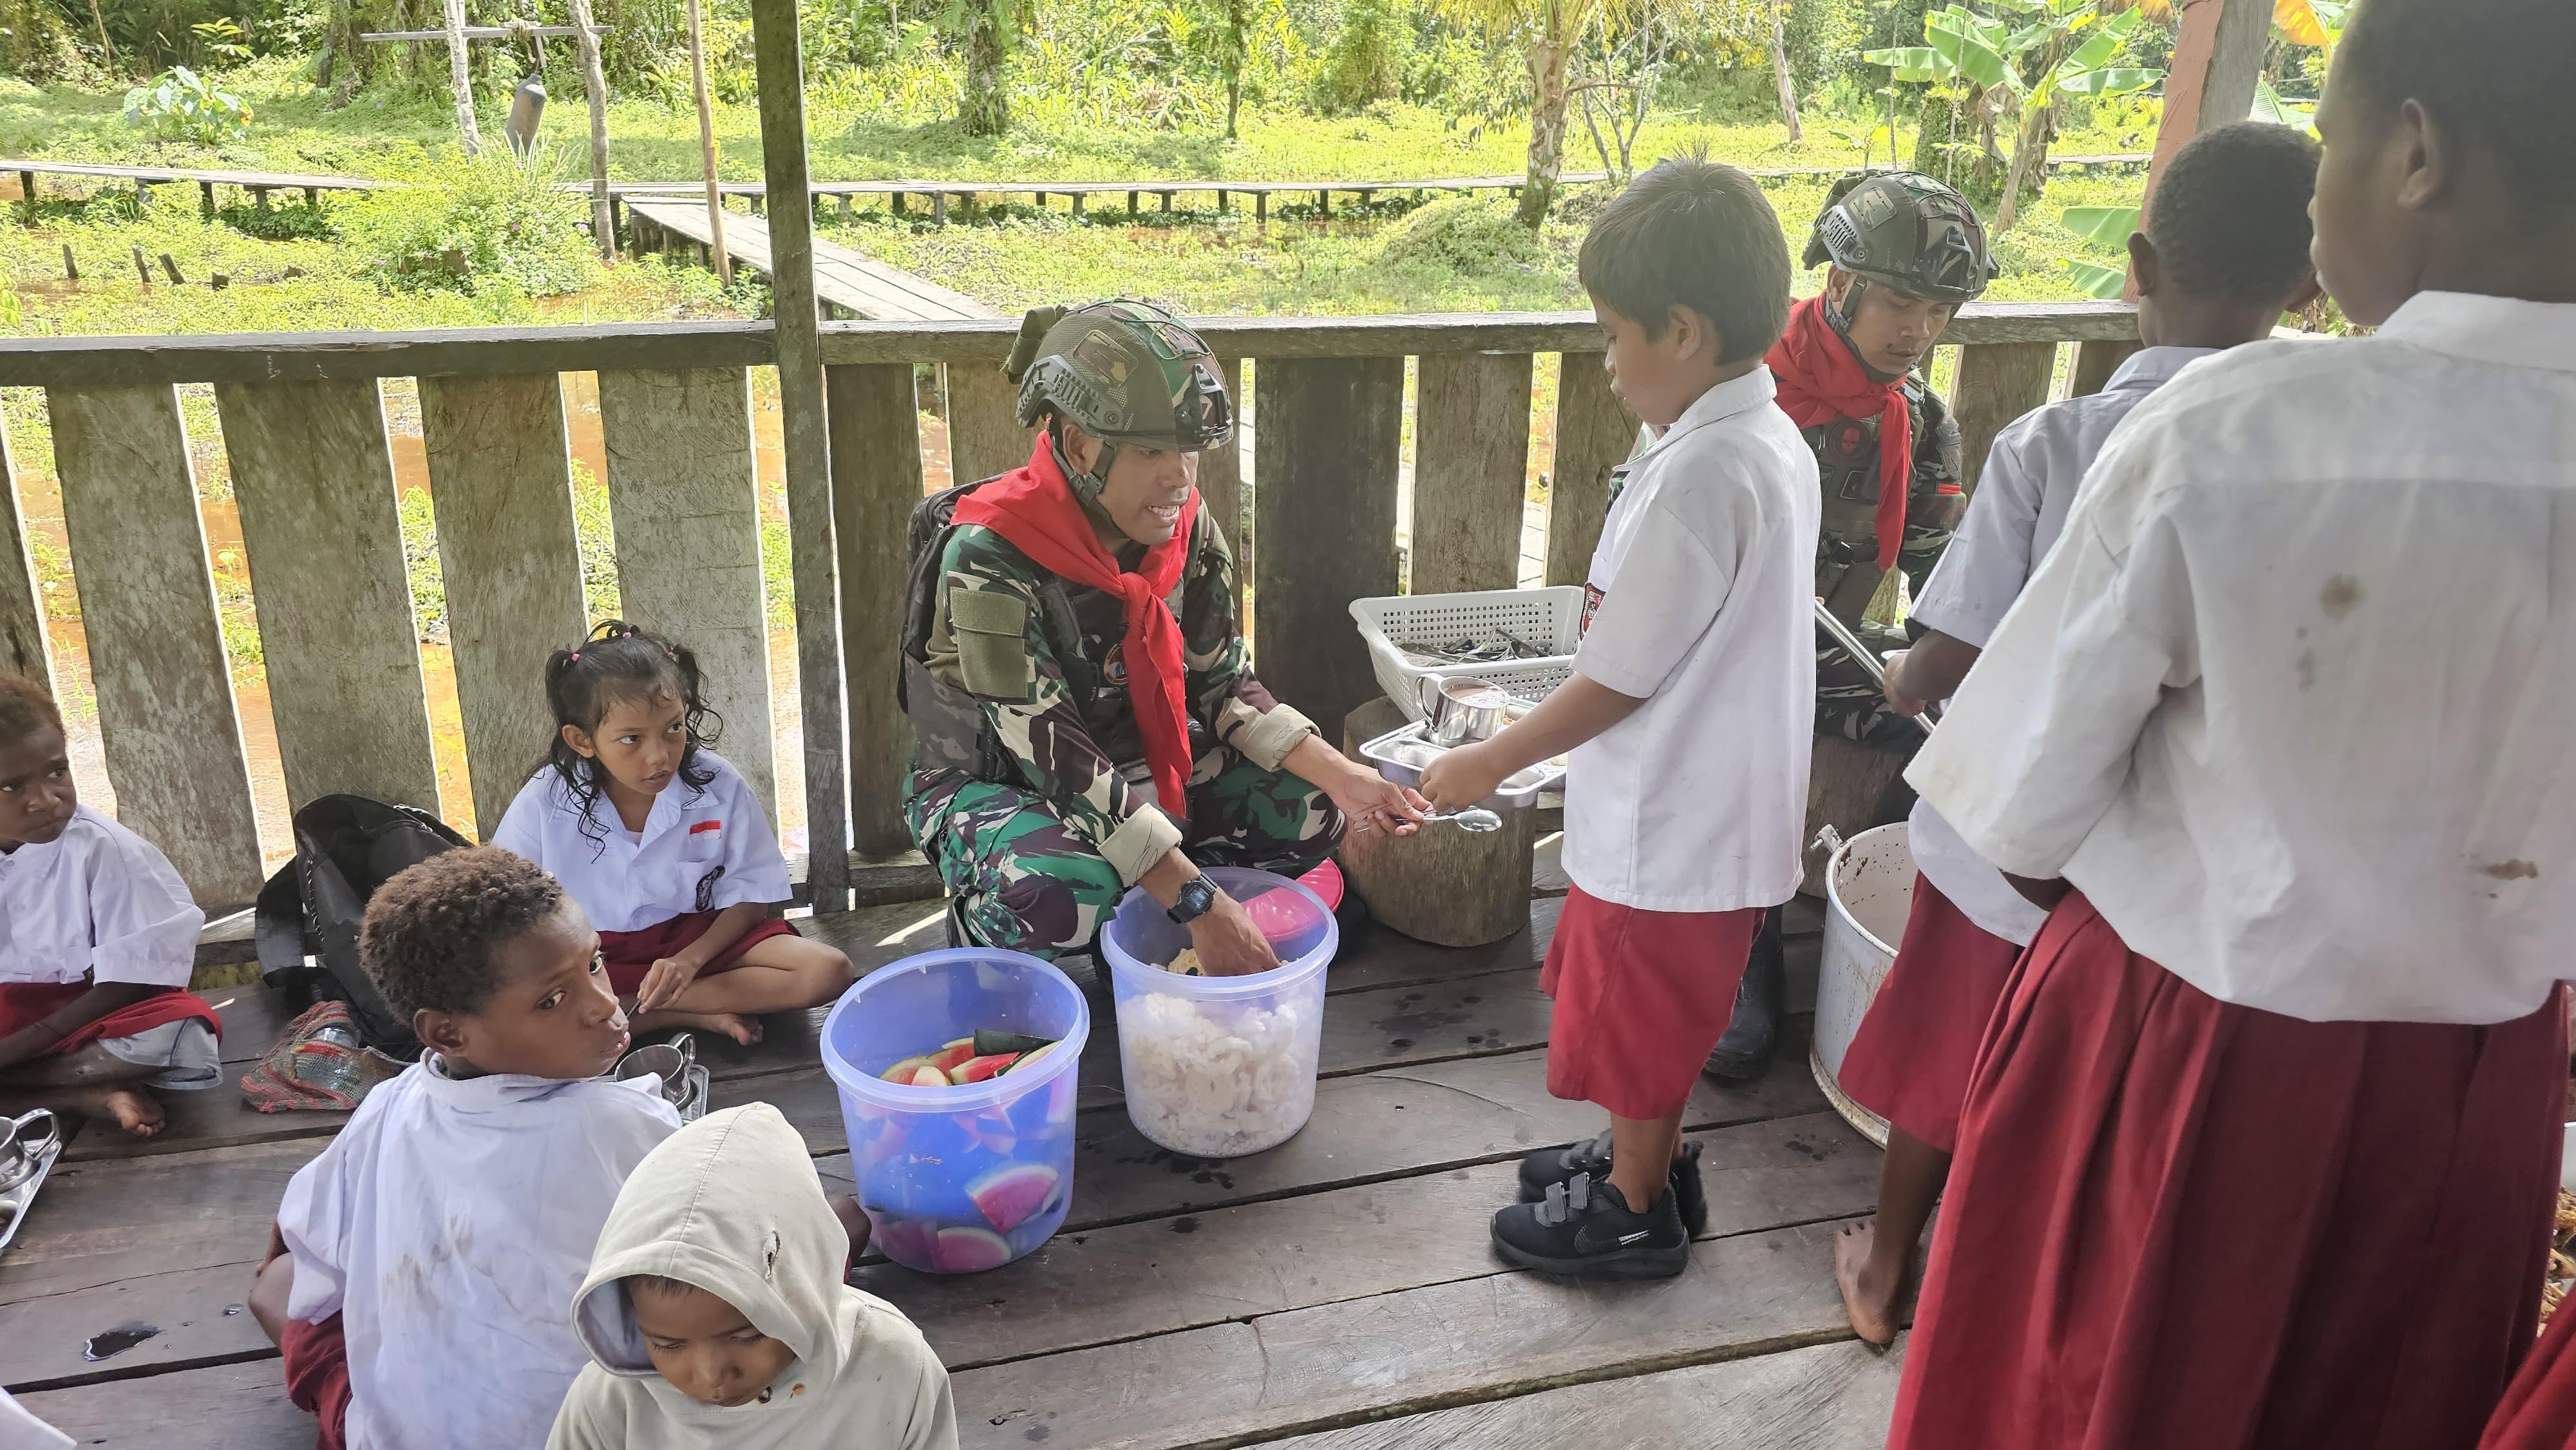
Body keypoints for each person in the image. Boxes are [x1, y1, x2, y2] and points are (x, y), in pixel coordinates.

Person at [1886, 0, 2576, 1442]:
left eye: (2325, 142)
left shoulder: (2239, 432)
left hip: (2177, 1060)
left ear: (2411, 156)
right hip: (2477, 1099)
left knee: (2093, 1396)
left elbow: (2015, 822)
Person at [1830, 120, 2325, 1348]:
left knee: (1950, 1051)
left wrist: (1905, 675)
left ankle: (1890, 1274)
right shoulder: (2321, 451)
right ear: (2311, 291)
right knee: (2088, 1101)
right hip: (2177, 877)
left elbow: (1945, 655)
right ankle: (2033, 1302)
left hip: (2010, 850)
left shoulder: (2055, 442)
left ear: (2139, 265)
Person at [1419, 158, 1815, 1278]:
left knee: (1641, 1022)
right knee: (1661, 1012)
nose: (1603, 360)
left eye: (1609, 335)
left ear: (1680, 332)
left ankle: (1635, 1208)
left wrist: (1489, 760)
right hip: (1709, 802)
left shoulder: (1706, 474)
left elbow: (1619, 679)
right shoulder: (1755, 435)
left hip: (1670, 819)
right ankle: (1651, 1159)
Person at [900, 298, 1425, 976]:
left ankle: (1157, 893)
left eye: (1188, 450)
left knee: (1314, 809)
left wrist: (1348, 776)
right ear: (1078, 443)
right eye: (1150, 450)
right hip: (1002, 783)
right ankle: (988, 929)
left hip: (1140, 763)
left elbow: (1223, 683)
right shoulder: (989, 555)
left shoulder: (1183, 527)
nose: (1178, 476)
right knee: (1065, 892)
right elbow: (1054, 757)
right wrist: (1201, 903)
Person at [1703, 169, 1997, 1084]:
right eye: (1901, 302)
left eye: (1940, 311)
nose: (1918, 331)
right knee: (1752, 741)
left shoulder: (1915, 418)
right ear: (1838, 285)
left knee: (1968, 735)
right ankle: (1741, 948)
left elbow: (1941, 569)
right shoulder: (1739, 390)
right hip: (1712, 656)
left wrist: (1947, 668)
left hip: (1831, 647)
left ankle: (1870, 885)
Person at [250, 846, 683, 1450]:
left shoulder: (389, 1104)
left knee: (280, 1283)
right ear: (447, 1032)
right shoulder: (621, 1124)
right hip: (590, 1433)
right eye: (551, 1001)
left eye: (596, 963)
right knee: (824, 1228)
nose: (604, 1004)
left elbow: (312, 1260)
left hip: (405, 1433)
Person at [492, 621, 853, 1047]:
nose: (659, 756)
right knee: (515, 1014)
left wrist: (689, 960)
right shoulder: (545, 801)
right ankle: (688, 1012)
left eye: (674, 728)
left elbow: (753, 895)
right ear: (583, 740)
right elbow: (509, 913)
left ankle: (636, 1011)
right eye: (631, 739)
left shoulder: (717, 783)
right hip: (591, 958)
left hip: (699, 939)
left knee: (828, 972)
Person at [551, 1102, 959, 1450]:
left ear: (802, 1288)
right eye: (668, 1345)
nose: (711, 1375)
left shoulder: (893, 1366)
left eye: (748, 1335)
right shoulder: (608, 1403)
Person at [0, 673, 220, 1140]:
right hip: (12, 1020)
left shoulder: (104, 849)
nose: (44, 799)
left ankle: (30, 1083)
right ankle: (83, 1097)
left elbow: (132, 983)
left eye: (56, 772)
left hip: (84, 1016)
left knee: (176, 1034)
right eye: (11, 787)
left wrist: (22, 1047)